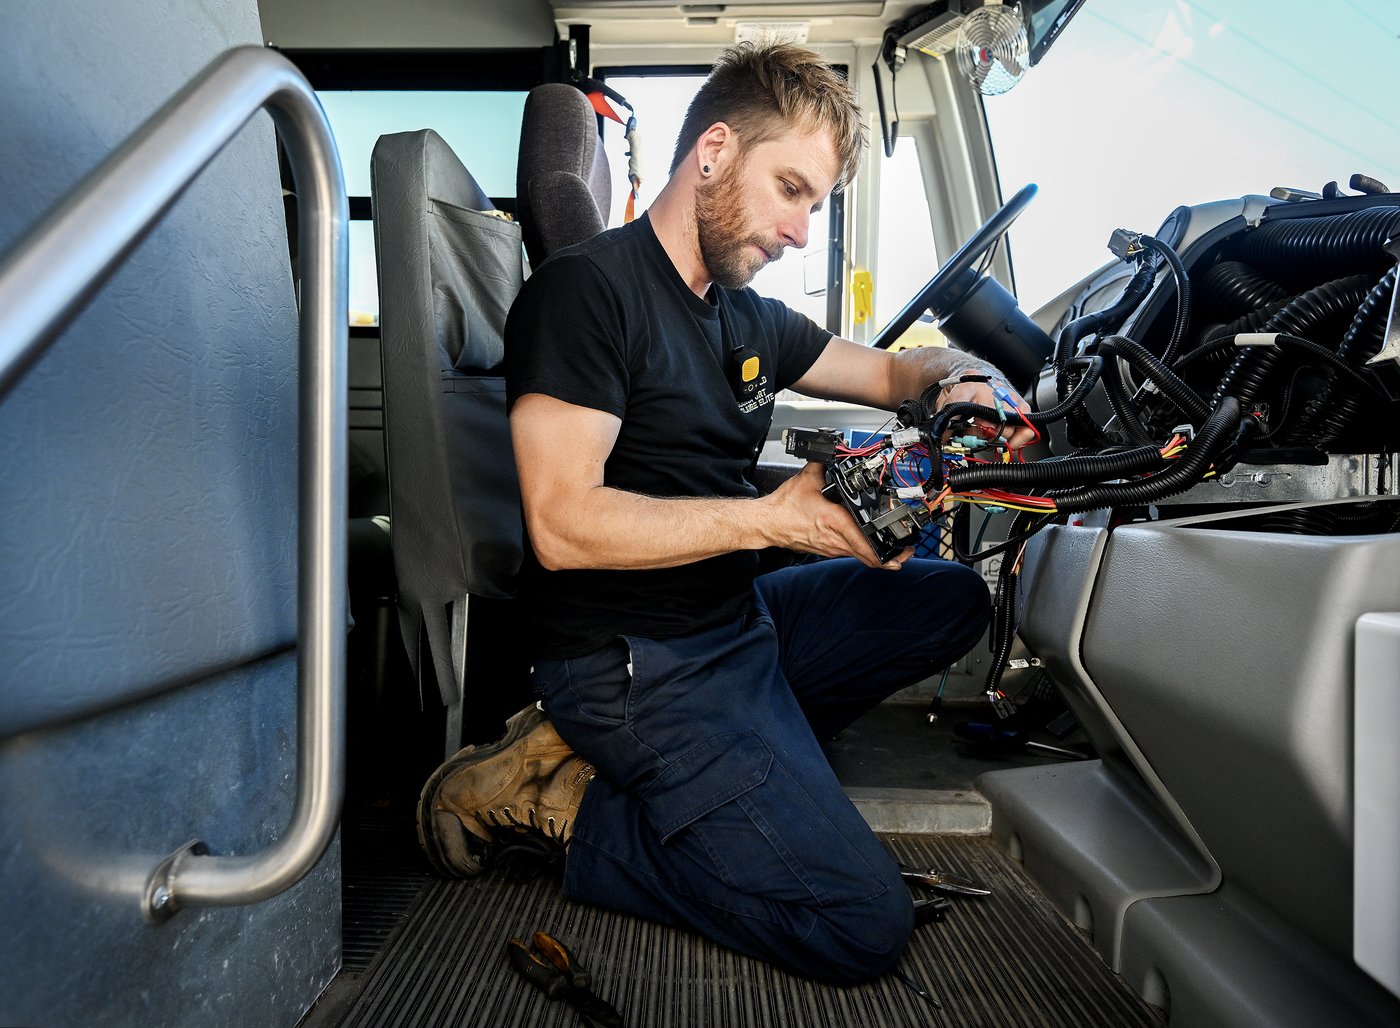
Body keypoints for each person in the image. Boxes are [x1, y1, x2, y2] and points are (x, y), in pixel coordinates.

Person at [416, 41, 1036, 985]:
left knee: (949, 599)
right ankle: (569, 809)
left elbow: (896, 370)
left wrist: (965, 386)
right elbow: (562, 523)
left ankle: (716, 767)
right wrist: (775, 522)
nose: (799, 229)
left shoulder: (748, 317)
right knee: (860, 925)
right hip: (630, 663)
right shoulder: (588, 292)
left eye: (817, 205)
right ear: (712, 153)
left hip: (733, 624)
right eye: (790, 189)